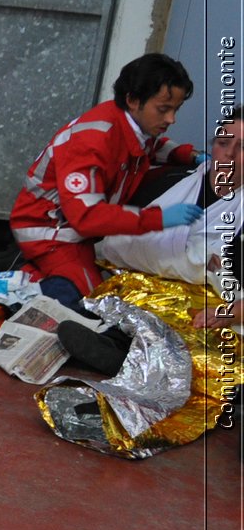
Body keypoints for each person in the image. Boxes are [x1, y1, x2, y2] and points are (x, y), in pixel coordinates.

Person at [9, 53, 205, 312]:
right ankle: (22, 278)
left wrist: (190, 156)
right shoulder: (93, 140)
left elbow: (152, 147)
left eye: (175, 110)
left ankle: (32, 272)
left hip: (84, 229)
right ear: (133, 100)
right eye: (163, 109)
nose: (171, 120)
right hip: (52, 232)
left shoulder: (131, 124)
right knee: (89, 301)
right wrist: (156, 219)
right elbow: (86, 217)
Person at [57, 109, 242, 372]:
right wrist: (199, 261)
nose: (230, 154)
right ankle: (120, 351)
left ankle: (126, 358)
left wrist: (230, 311)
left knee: (197, 326)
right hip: (141, 284)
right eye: (224, 143)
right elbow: (118, 240)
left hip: (206, 306)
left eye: (242, 147)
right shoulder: (170, 183)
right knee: (116, 293)